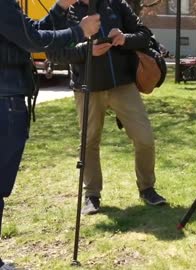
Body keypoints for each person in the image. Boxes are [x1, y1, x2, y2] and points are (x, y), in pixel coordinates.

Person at [0, 0, 100, 268]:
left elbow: (28, 33)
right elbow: (34, 41)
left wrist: (59, 9)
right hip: (5, 102)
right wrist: (80, 30)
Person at [46, 0, 166, 215]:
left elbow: (145, 34)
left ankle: (147, 188)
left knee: (145, 138)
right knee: (89, 141)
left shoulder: (116, 4)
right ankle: (92, 195)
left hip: (123, 85)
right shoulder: (67, 10)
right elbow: (54, 53)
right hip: (87, 87)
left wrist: (124, 38)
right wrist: (86, 50)